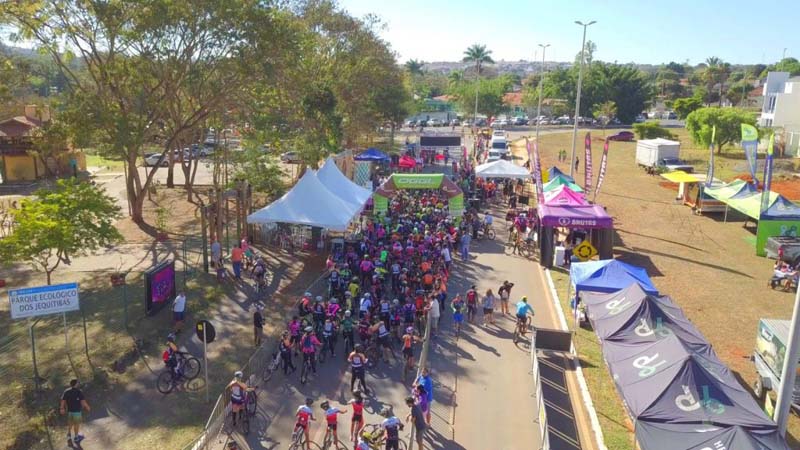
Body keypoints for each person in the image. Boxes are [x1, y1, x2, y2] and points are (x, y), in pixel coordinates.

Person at [61, 379, 90, 446]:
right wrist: (87, 407)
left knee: (70, 423)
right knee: (76, 424)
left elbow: (63, 400)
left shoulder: (66, 391)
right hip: (77, 412)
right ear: (76, 384)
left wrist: (62, 408)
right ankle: (76, 437)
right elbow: (83, 402)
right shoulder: (79, 391)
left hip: (70, 411)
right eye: (78, 383)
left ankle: (69, 434)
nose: (78, 384)